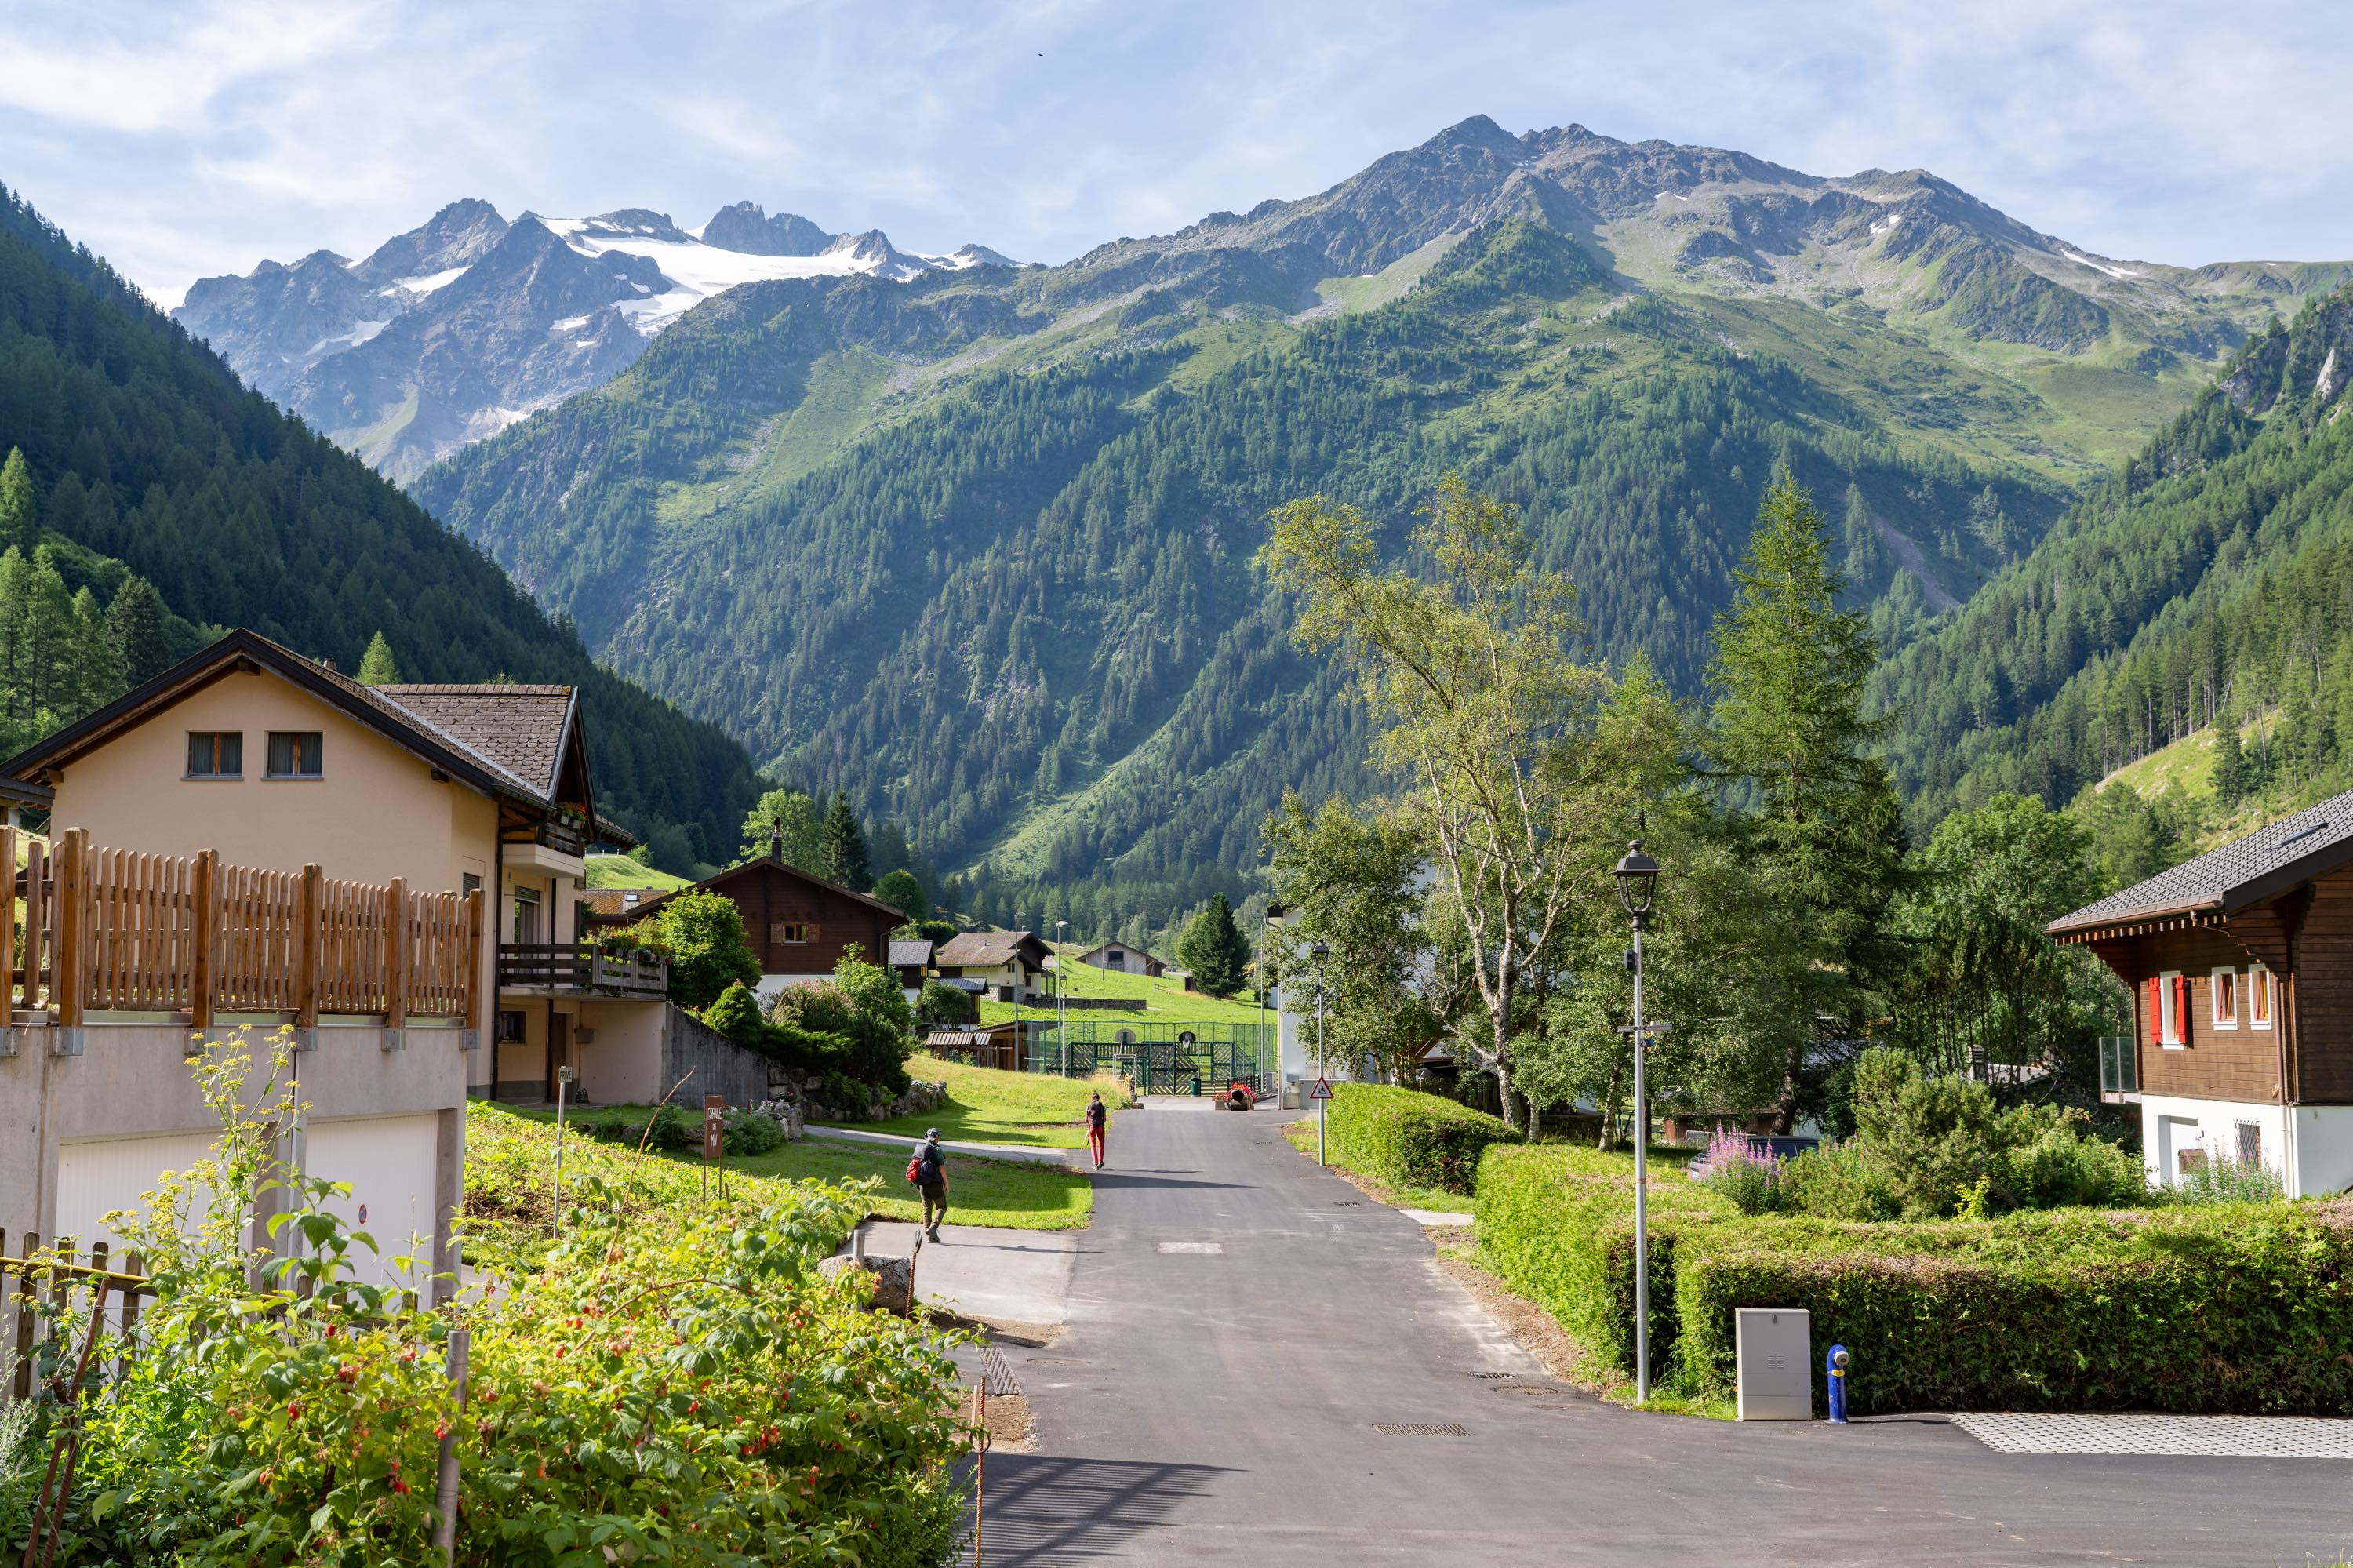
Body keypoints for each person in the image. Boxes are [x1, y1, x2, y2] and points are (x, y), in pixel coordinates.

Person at [916, 1129, 950, 1241]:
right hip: (934, 1184)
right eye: (938, 1136)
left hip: (922, 1184)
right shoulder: (937, 1149)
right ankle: (933, 1228)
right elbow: (941, 1167)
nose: (939, 1138)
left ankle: (930, 1236)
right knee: (942, 1207)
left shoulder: (922, 1148)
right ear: (936, 1138)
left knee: (927, 1209)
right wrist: (947, 1182)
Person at [1085, 1091, 1108, 1170]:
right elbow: (1104, 1120)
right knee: (1101, 1144)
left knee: (1093, 1145)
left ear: (1092, 1099)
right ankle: (1100, 1162)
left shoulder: (1089, 1106)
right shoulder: (1102, 1107)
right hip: (1100, 1128)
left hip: (1092, 1128)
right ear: (1099, 1099)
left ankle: (1095, 1164)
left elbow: (1086, 1120)